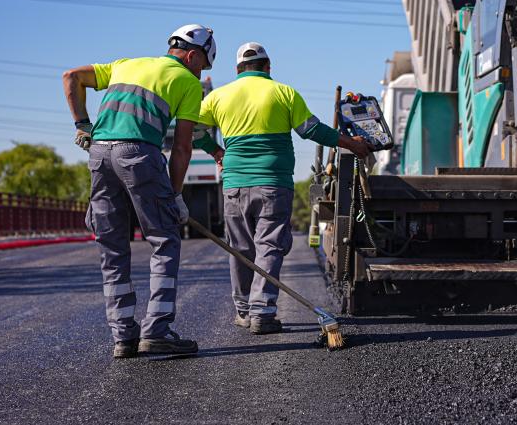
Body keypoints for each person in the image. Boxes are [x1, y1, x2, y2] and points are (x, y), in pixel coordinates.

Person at [192, 42, 370, 335]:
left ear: (237, 70)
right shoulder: (283, 93)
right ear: (268, 67)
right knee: (269, 246)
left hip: (234, 184)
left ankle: (245, 310)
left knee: (240, 248)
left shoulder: (218, 97)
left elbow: (193, 130)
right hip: (273, 184)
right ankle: (263, 311)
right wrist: (351, 143)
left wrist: (216, 152)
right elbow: (312, 130)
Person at [62, 24, 216, 358]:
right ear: (192, 55)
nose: (200, 71)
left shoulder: (126, 63)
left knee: (112, 246)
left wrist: (82, 125)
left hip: (100, 154)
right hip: (139, 154)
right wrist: (175, 196)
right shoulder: (188, 82)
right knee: (164, 239)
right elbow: (182, 148)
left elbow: (71, 76)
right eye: (202, 65)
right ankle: (157, 331)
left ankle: (123, 337)